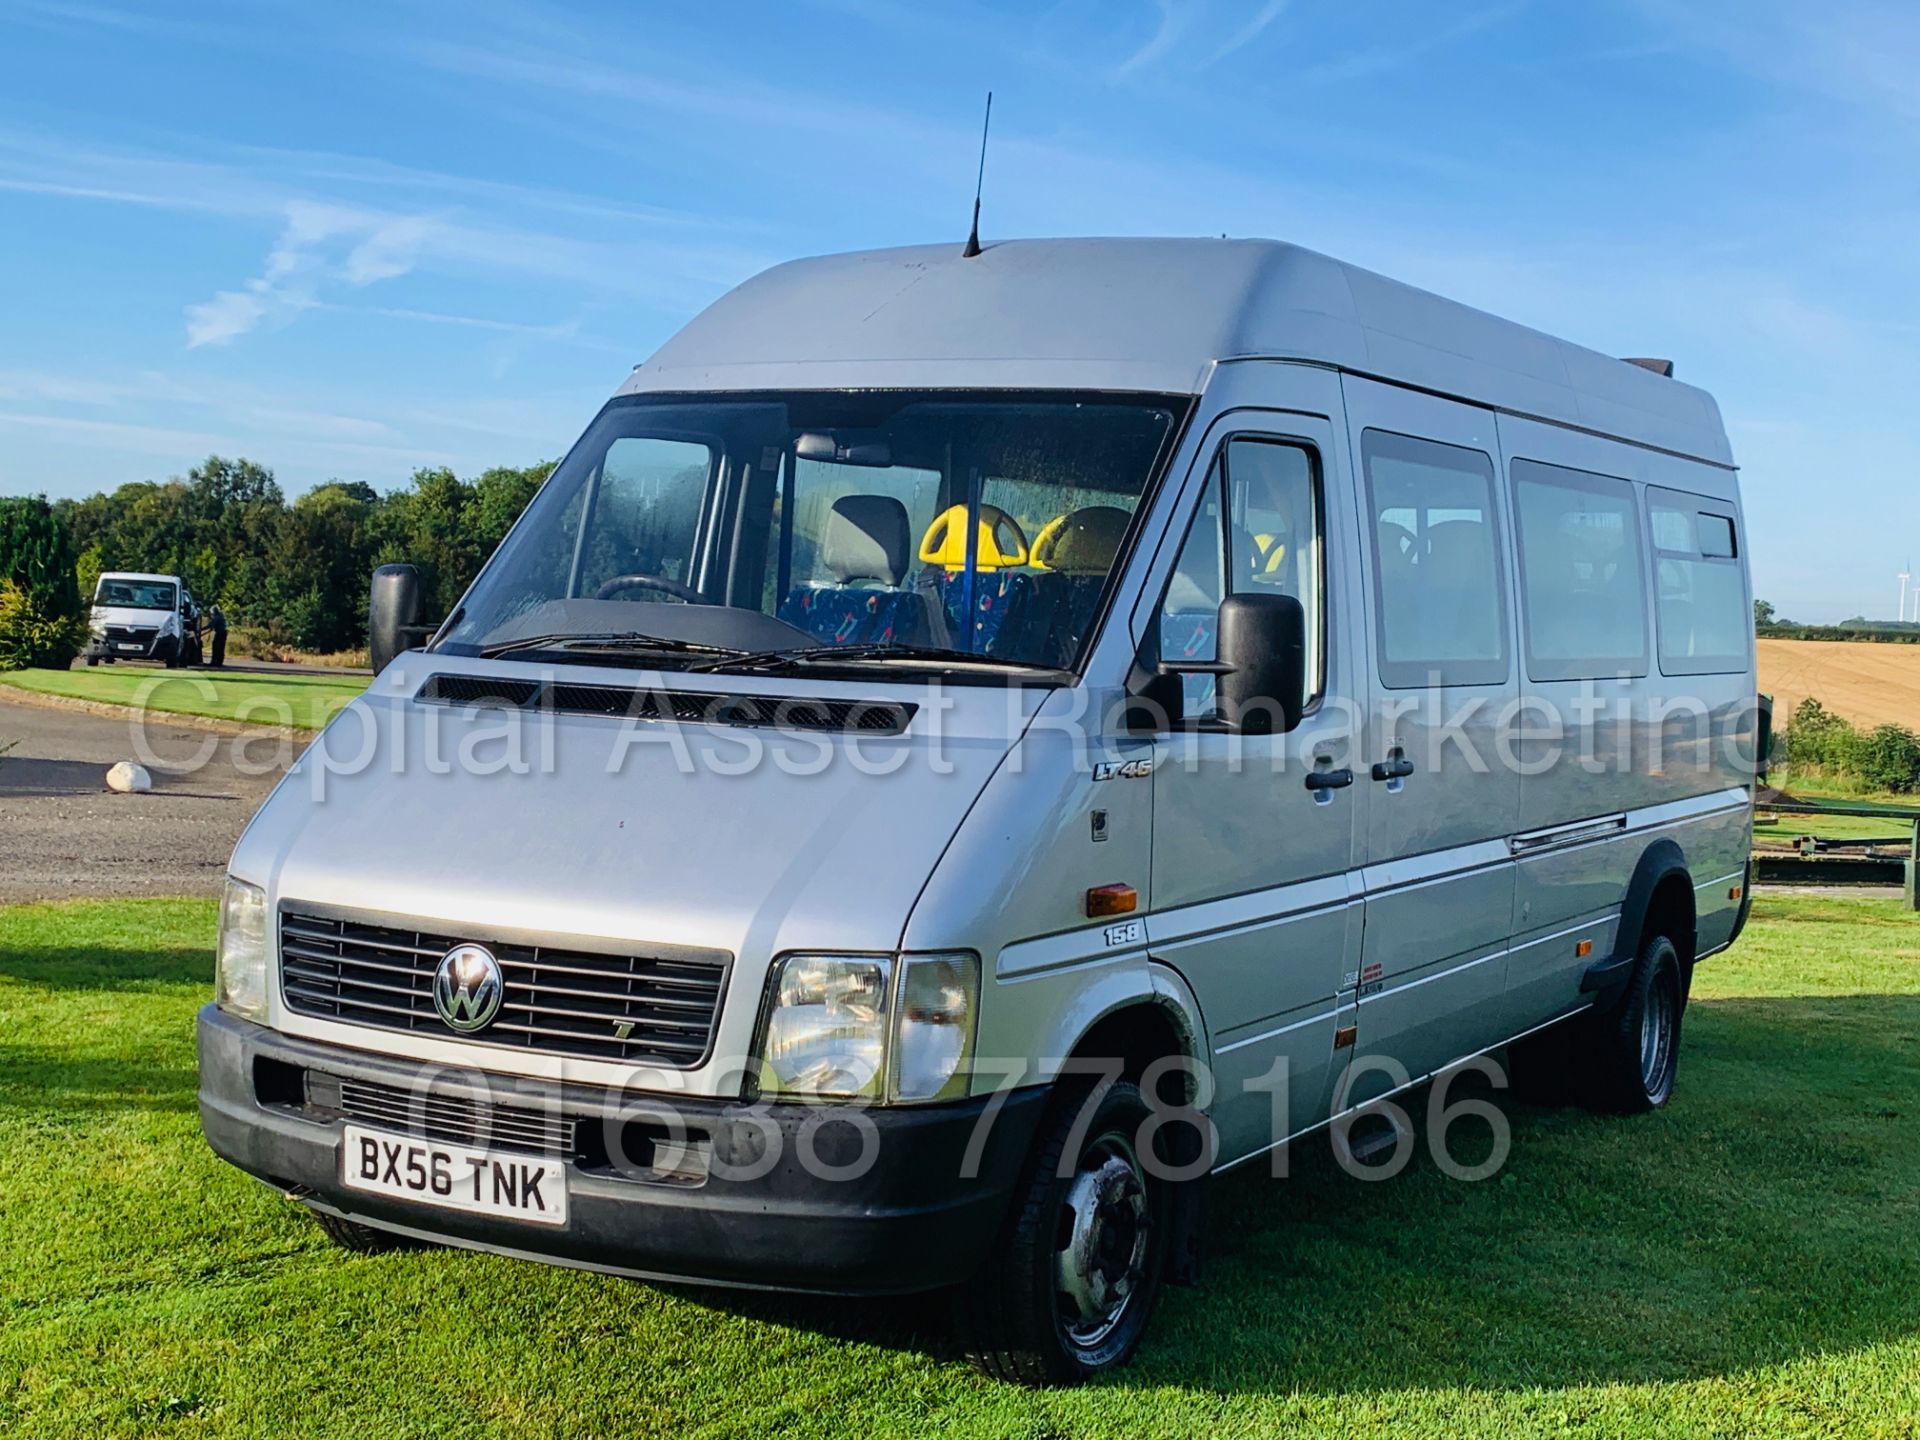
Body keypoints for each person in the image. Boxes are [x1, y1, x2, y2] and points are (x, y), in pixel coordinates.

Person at [207, 603, 228, 669]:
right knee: (221, 648)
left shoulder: (217, 617)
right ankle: (219, 662)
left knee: (216, 647)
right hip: (223, 633)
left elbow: (210, 625)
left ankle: (215, 662)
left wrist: (200, 629)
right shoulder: (221, 616)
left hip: (220, 633)